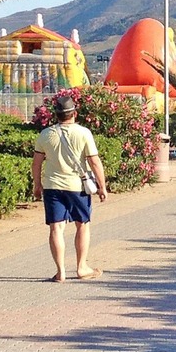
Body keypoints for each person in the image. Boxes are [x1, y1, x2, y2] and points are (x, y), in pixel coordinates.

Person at [32, 96, 108, 283]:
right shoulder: (84, 133)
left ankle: (60, 271)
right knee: (82, 224)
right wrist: (102, 186)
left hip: (52, 187)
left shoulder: (45, 134)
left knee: (56, 228)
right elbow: (94, 161)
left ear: (55, 115)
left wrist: (37, 184)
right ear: (74, 113)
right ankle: (81, 267)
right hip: (77, 187)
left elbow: (36, 163)